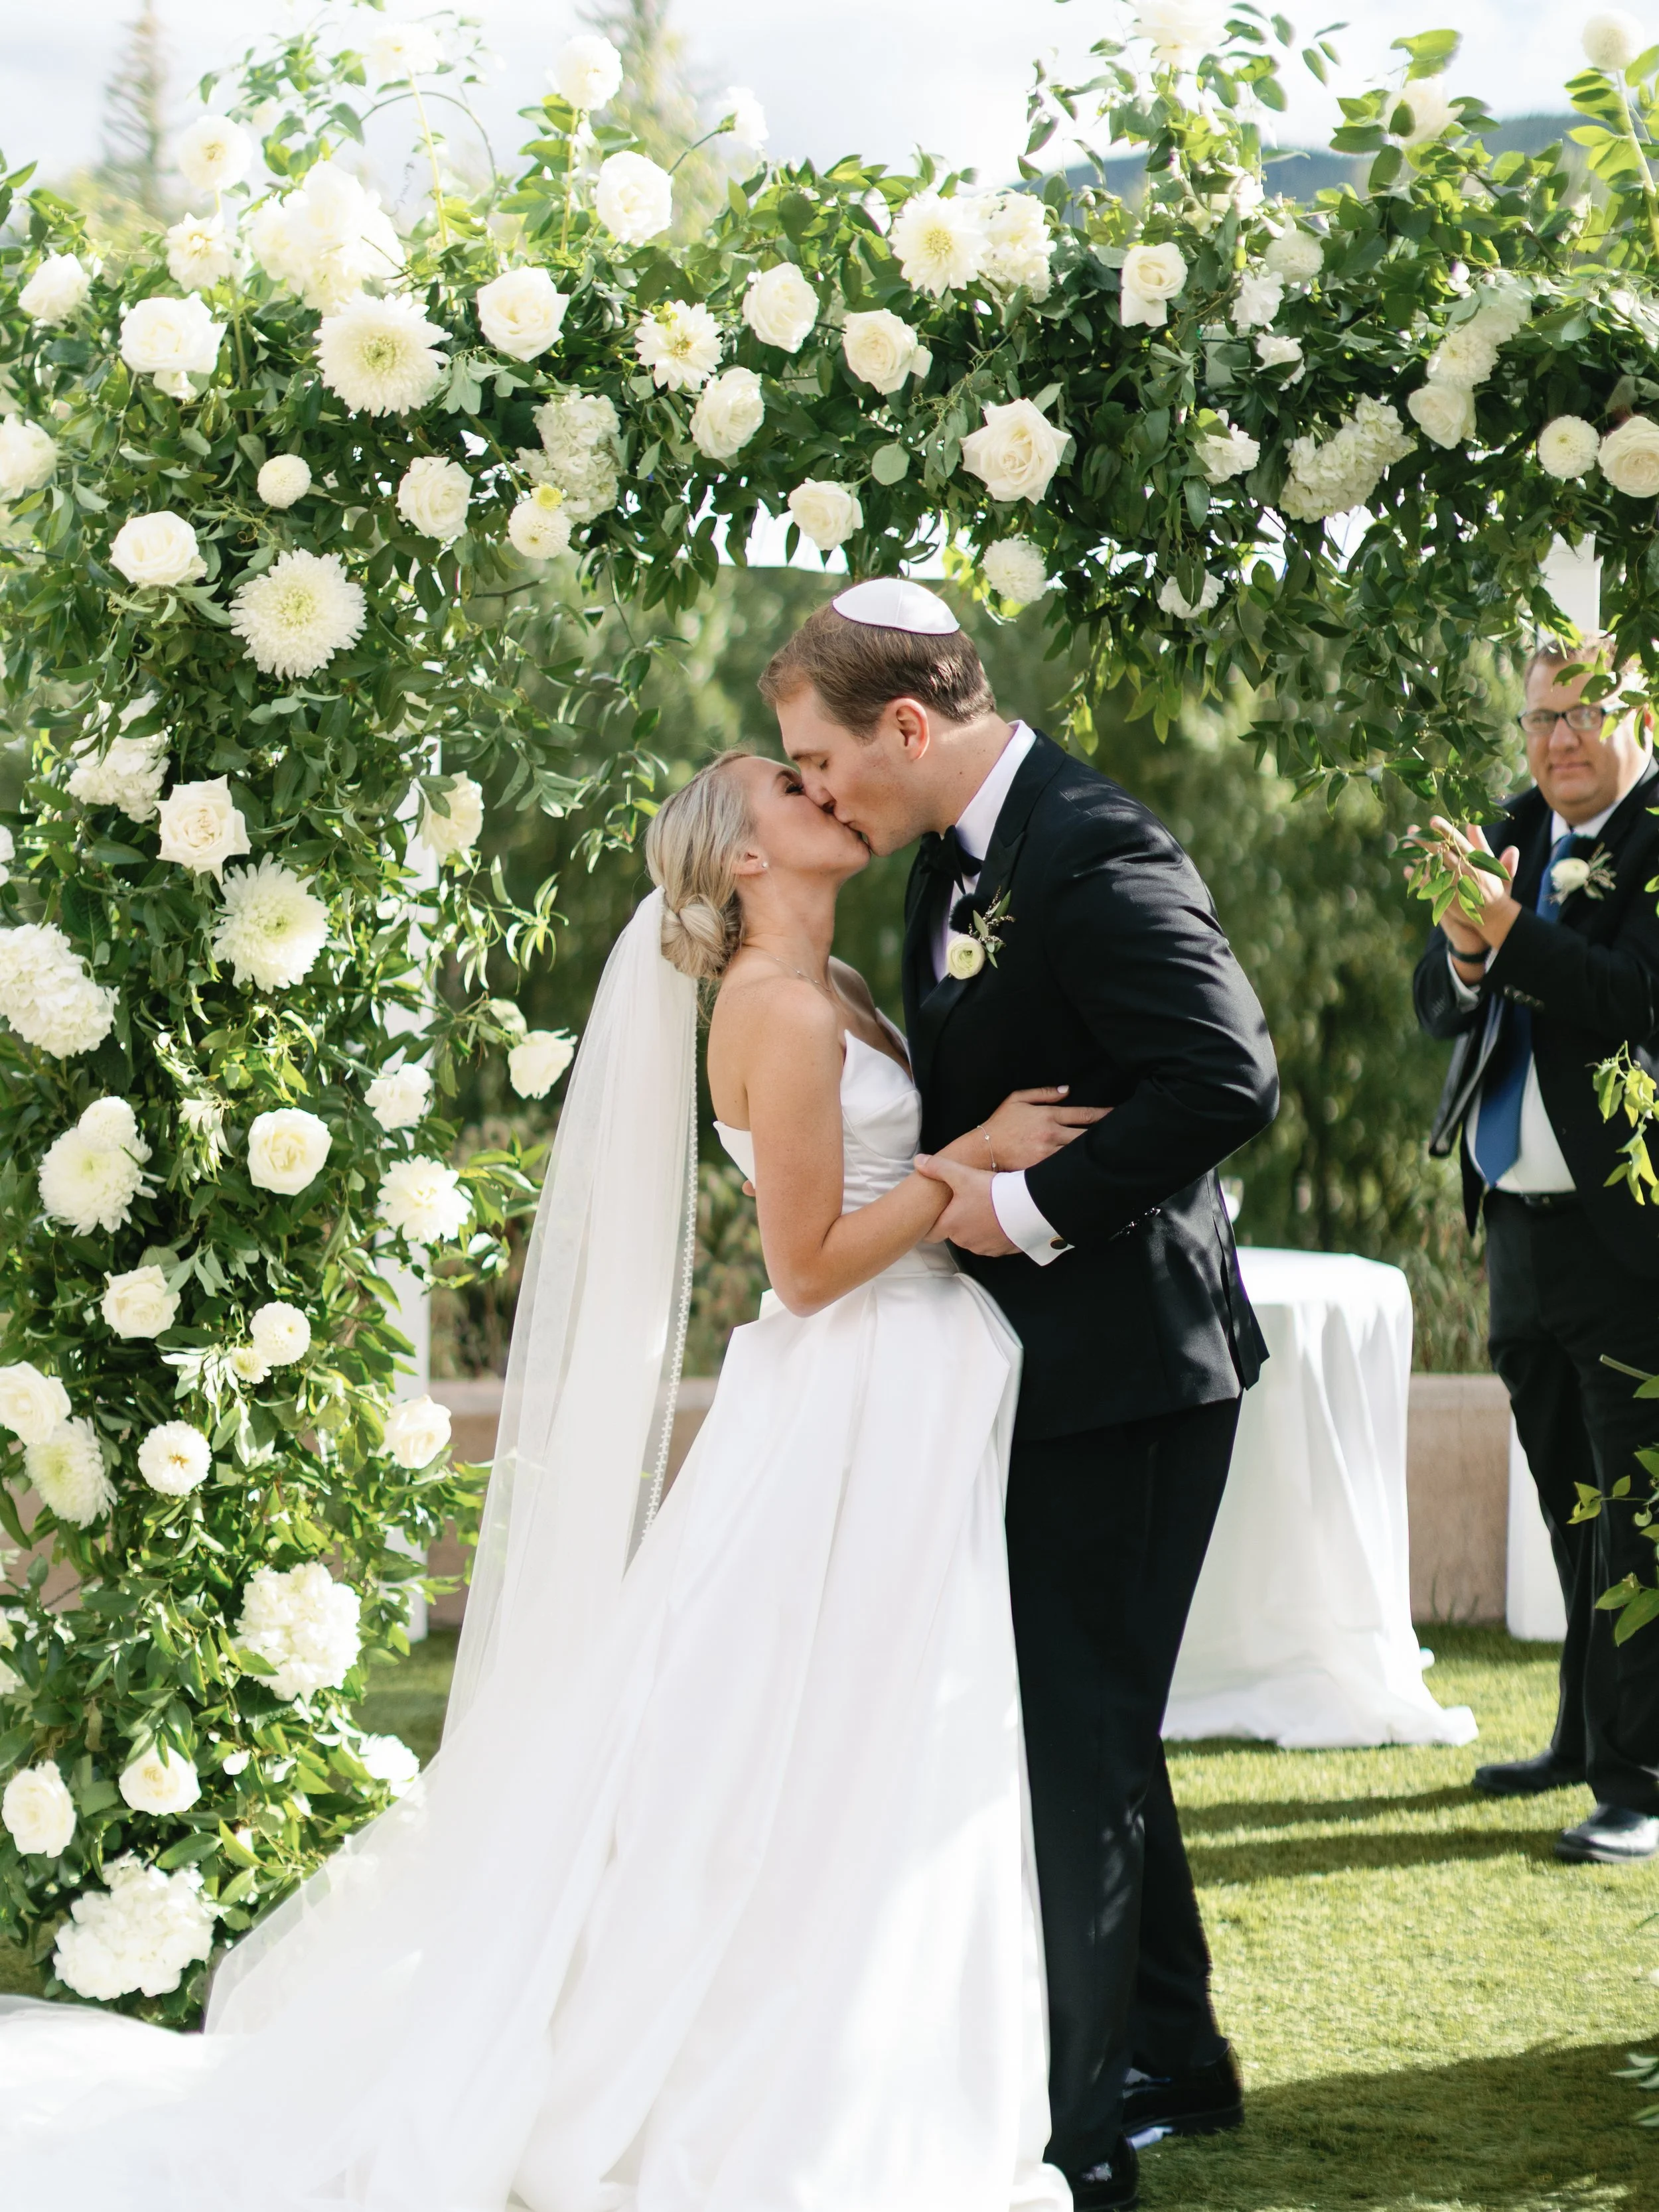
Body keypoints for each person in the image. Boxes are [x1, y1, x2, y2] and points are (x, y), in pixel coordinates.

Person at [0, 719, 1111, 2209]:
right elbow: (800, 1266)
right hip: (840, 1387)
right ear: (737, 853)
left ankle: (868, 2037)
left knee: (851, 1728)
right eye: (792, 784)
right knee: (784, 1731)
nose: (826, 787)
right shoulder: (772, 1008)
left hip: (896, 1397)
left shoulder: (835, 983)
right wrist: (957, 1161)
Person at [763, 581, 1279, 2208]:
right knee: (1092, 1715)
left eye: (818, 758)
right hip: (1025, 1372)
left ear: (904, 726)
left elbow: (1223, 1074)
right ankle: (1175, 2055)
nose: (814, 792)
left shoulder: (1087, 842)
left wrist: (1026, 1209)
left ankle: (1070, 2139)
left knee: (1071, 1739)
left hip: (1129, 1369)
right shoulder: (941, 862)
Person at [1413, 636, 1659, 1866]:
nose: (1556, 741)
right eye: (1538, 719)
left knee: (1644, 1512)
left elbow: (1637, 999)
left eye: (1582, 715)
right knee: (1573, 1510)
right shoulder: (1510, 822)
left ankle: (1645, 1781)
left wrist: (1508, 933)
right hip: (1517, 1223)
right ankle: (1580, 1733)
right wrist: (1467, 953)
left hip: (1632, 1238)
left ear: (1643, 714)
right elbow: (1435, 994)